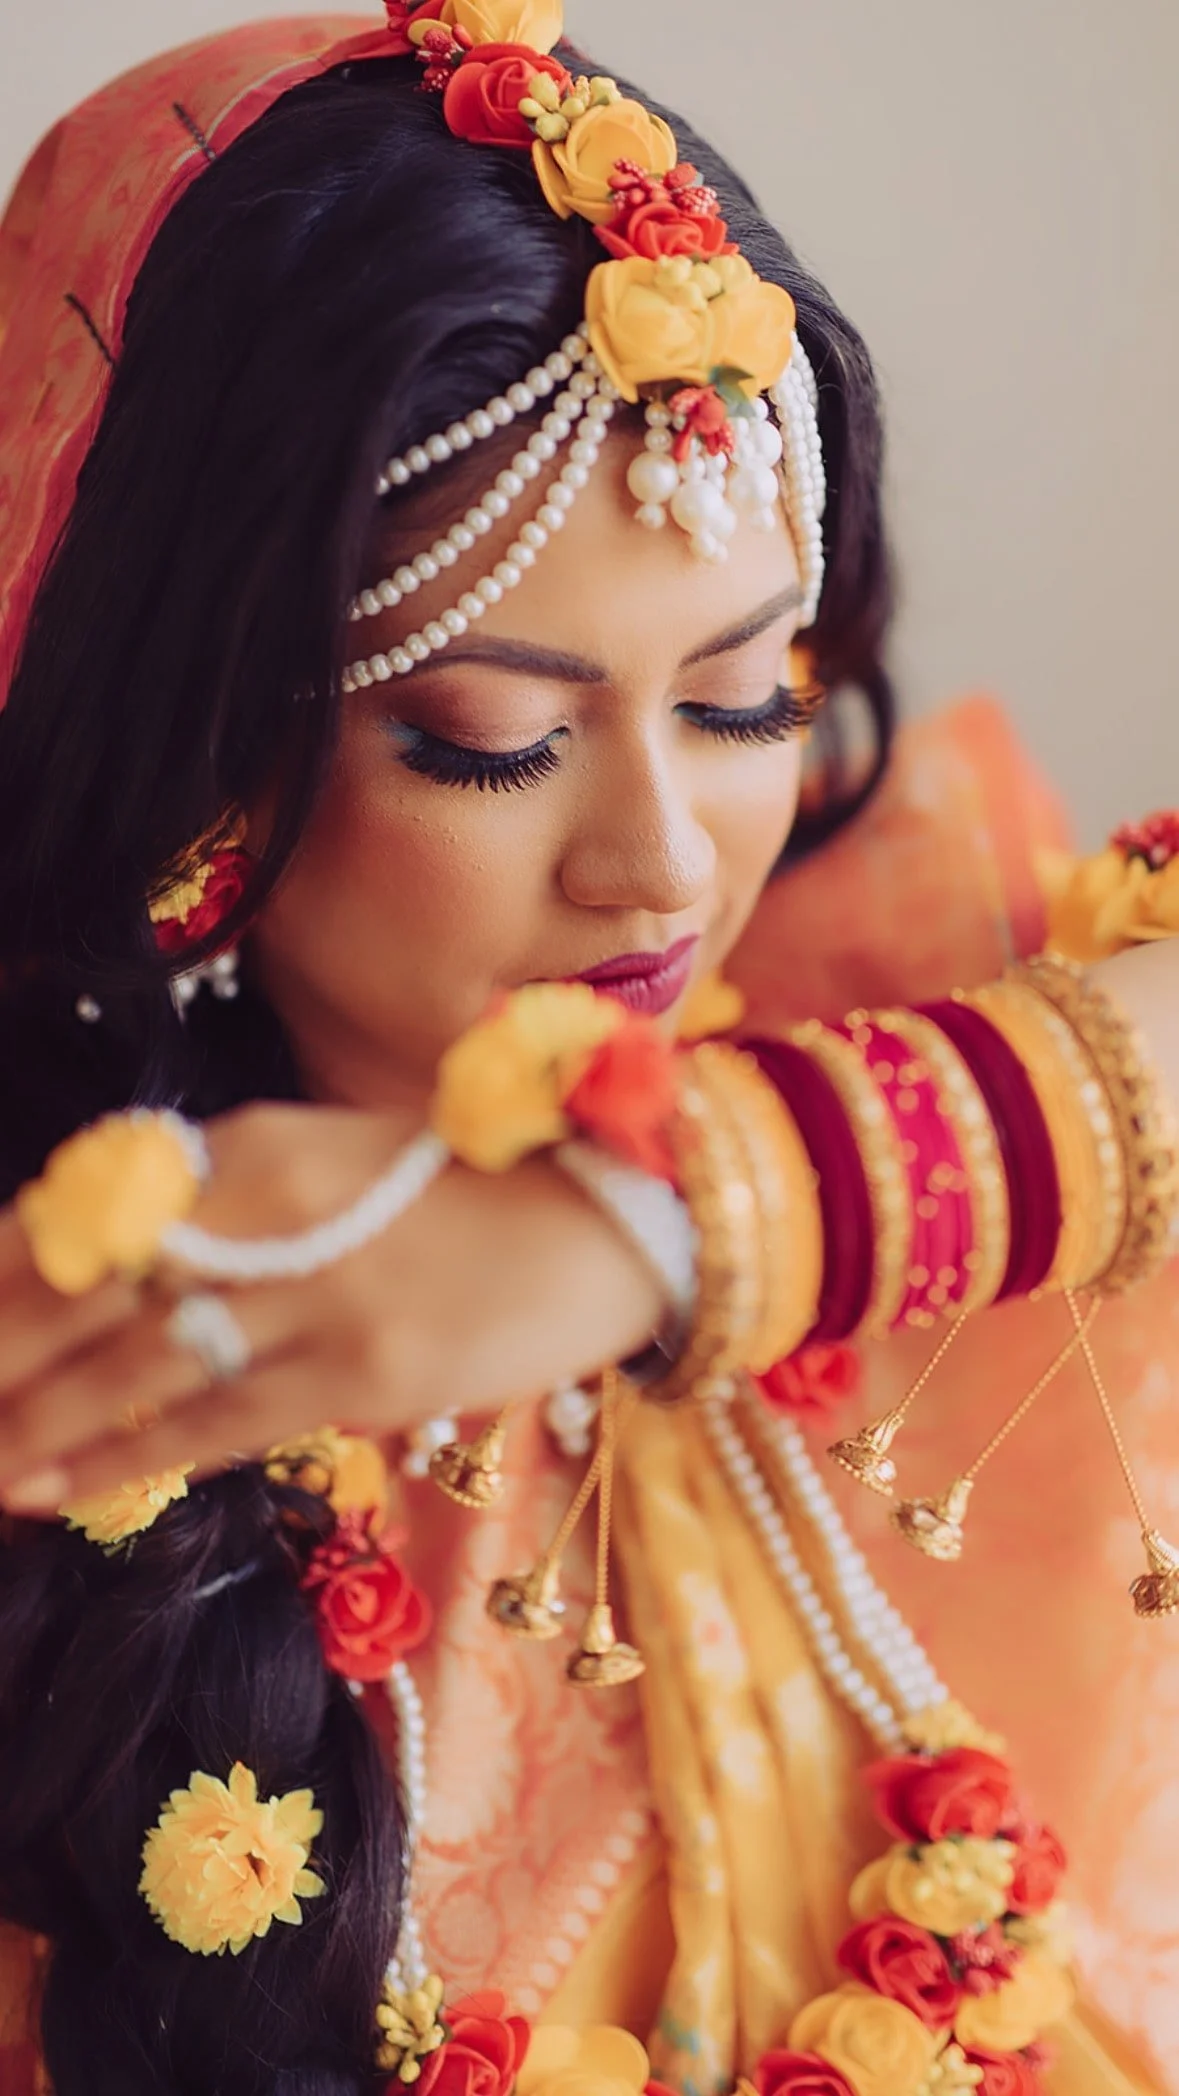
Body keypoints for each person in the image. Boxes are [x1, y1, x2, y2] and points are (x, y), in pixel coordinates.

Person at [0, 6, 1176, 2093]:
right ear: (197, 756)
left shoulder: (875, 1031)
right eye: (490, 741)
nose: (653, 859)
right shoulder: (92, 1363)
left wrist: (650, 1223)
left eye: (739, 701)